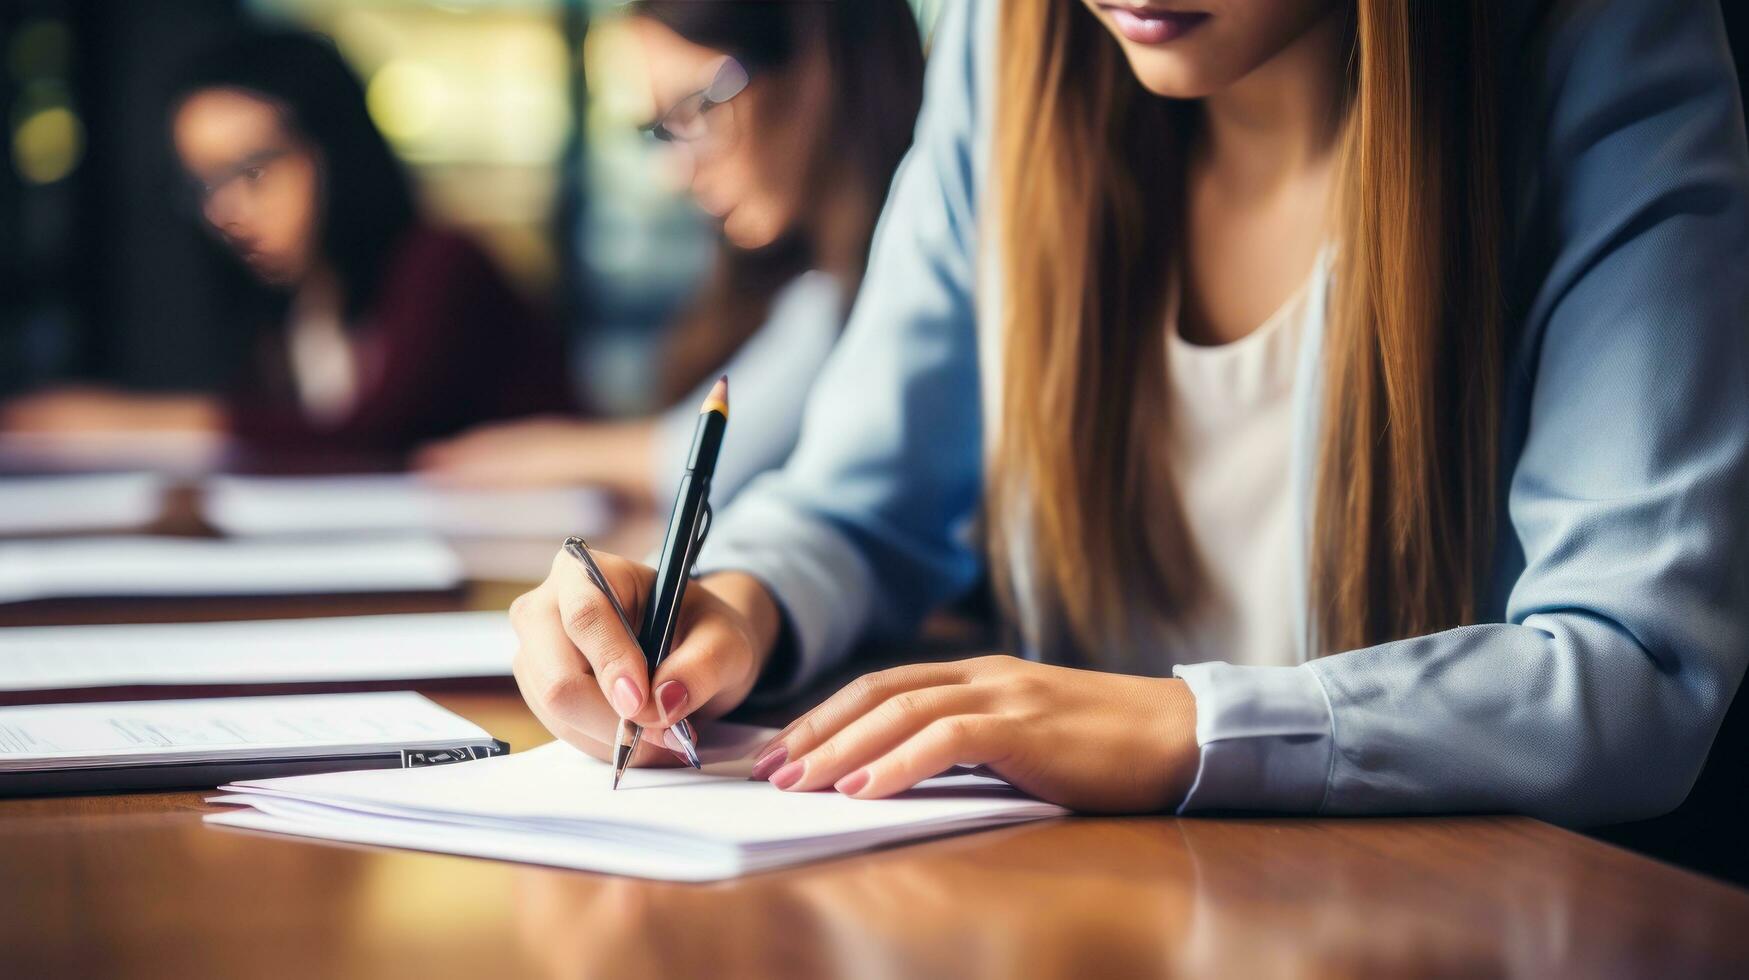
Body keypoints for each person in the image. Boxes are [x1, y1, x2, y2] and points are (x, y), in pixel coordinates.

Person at [506, 0, 1749, 828]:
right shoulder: (1013, 46)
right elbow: (861, 503)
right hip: (1079, 914)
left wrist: (1191, 725)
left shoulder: (1597, 42)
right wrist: (737, 602)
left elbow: (1632, 668)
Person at [414, 0, 925, 504]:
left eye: (696, 108)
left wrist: (547, 454)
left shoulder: (888, 291)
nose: (675, 173)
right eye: (662, 129)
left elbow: (702, 458)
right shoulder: (797, 281)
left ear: (818, 69)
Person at [0, 32, 573, 455]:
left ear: (335, 151)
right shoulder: (293, 305)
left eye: (251, 170)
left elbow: (369, 436)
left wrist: (119, 424)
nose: (222, 210)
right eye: (203, 184)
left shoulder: (443, 263)